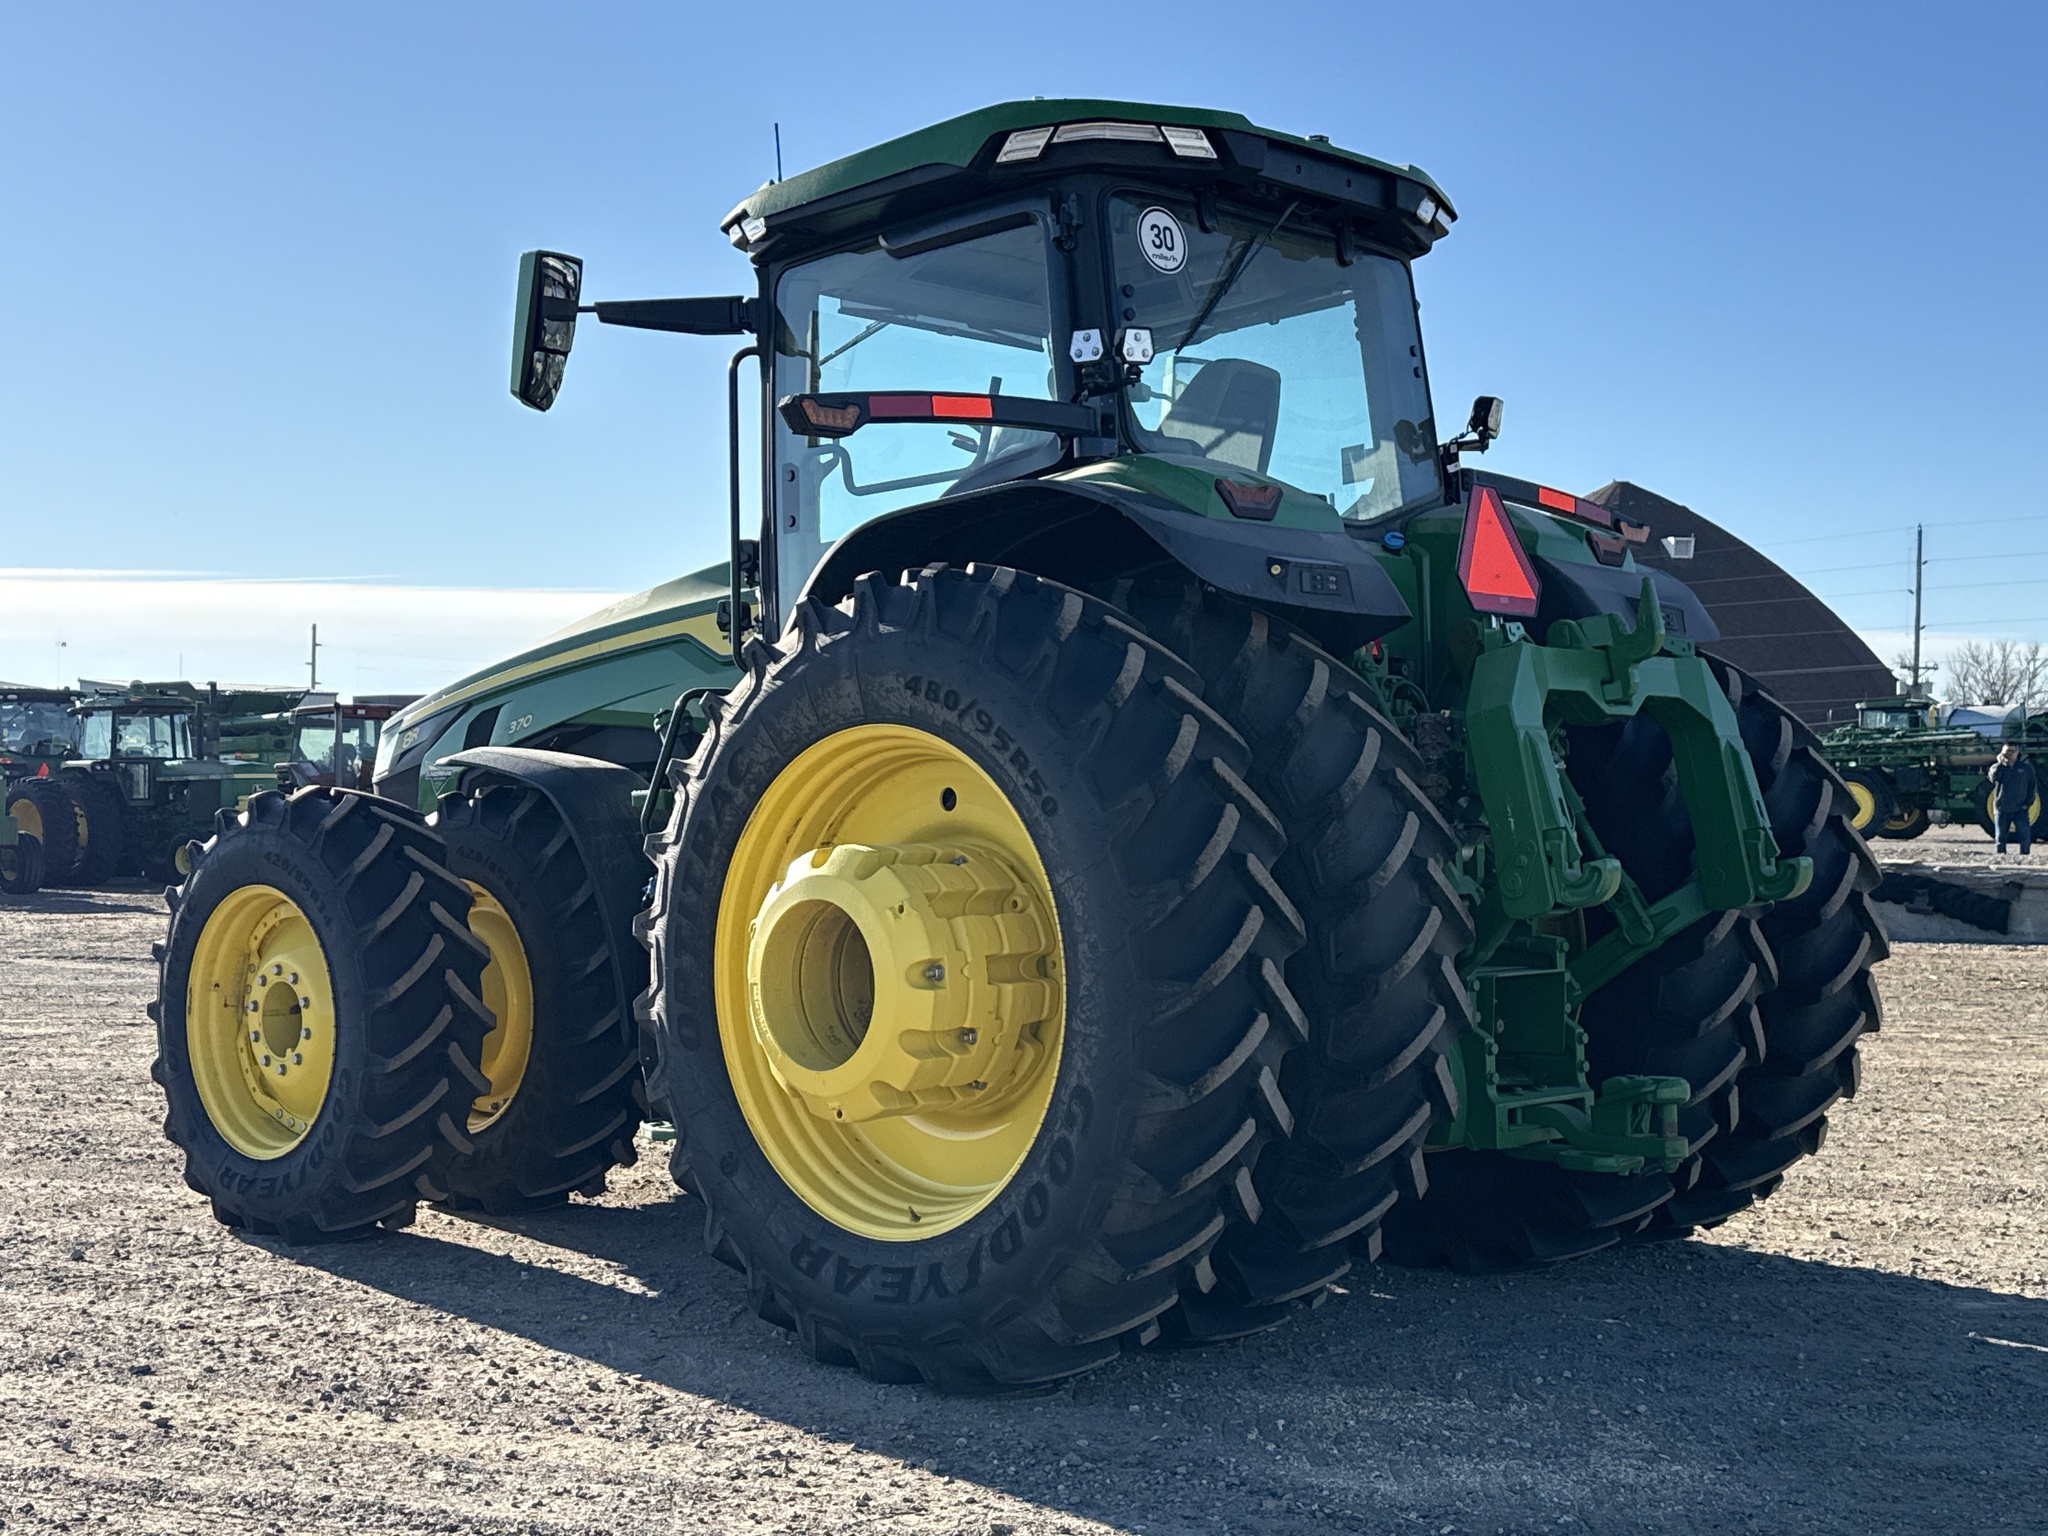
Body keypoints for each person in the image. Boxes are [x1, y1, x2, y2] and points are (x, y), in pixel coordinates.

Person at [1987, 743, 2038, 855]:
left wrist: (2027, 805)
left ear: (2018, 752)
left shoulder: (2026, 769)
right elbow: (1992, 778)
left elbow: (2032, 787)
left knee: (2025, 836)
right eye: (2007, 751)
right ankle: (2001, 857)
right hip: (2002, 808)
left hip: (2020, 809)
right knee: (2000, 837)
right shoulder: (1997, 768)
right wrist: (1999, 763)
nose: (2010, 754)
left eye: (2012, 751)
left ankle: (2024, 857)